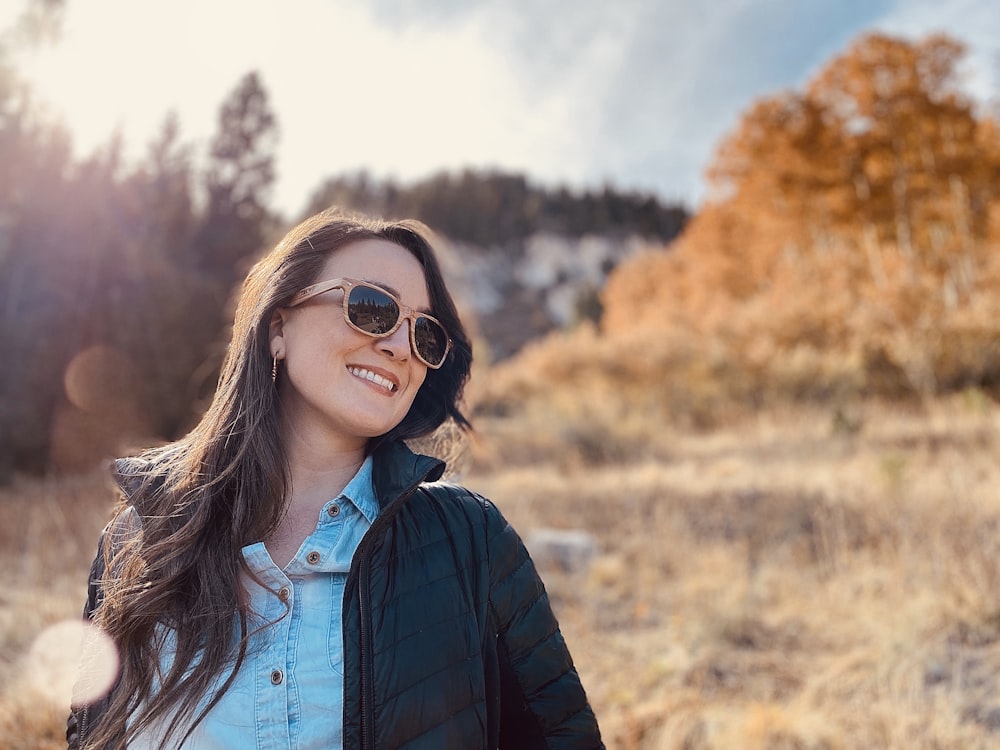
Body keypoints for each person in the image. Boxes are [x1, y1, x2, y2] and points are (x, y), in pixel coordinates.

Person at [66, 210, 604, 749]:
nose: (401, 348)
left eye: (425, 335)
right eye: (373, 308)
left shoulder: (472, 540)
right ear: (278, 326)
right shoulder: (137, 541)